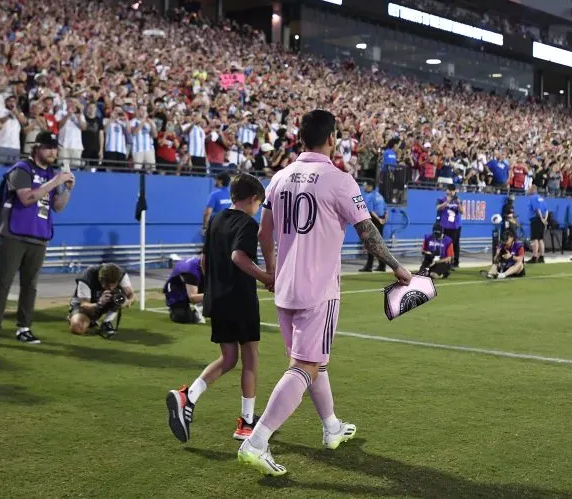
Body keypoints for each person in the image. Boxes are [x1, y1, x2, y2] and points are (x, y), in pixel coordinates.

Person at [237, 109, 411, 477]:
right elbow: (368, 234)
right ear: (332, 138)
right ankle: (257, 441)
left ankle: (331, 426)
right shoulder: (340, 180)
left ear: (300, 138)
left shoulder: (279, 179)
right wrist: (397, 267)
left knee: (315, 361)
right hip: (319, 290)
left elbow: (263, 235)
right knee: (304, 366)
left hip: (284, 289)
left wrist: (271, 272)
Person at [166, 174, 269, 444]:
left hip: (218, 298)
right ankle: (247, 422)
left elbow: (203, 261)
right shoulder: (248, 223)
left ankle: (188, 396)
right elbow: (238, 257)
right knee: (250, 357)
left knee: (228, 357)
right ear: (252, 199)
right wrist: (266, 277)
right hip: (240, 298)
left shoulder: (216, 220)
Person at [0, 131, 75, 348]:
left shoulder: (51, 173)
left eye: (55, 148)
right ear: (36, 148)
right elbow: (26, 198)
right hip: (14, 234)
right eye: (48, 147)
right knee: (2, 283)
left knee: (30, 286)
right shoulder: (22, 168)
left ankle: (24, 328)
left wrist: (67, 190)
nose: (53, 152)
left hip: (39, 236)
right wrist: (55, 181)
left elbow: (57, 207)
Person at [68, 262, 135, 338]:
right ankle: (77, 317)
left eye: (113, 285)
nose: (110, 288)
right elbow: (84, 304)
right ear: (100, 280)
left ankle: (106, 322)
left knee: (118, 296)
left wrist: (127, 302)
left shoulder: (121, 275)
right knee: (77, 328)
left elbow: (131, 296)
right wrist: (99, 303)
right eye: (107, 286)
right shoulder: (87, 276)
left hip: (104, 304)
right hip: (85, 306)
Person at [162, 256, 205, 324]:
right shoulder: (190, 270)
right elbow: (192, 298)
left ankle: (201, 309)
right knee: (182, 316)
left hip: (196, 281)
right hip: (177, 289)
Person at [359, 180, 388, 272]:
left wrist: (378, 220)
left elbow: (370, 210)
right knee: (379, 244)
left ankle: (369, 266)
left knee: (370, 244)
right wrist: (383, 219)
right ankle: (382, 265)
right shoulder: (380, 196)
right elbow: (386, 209)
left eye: (365, 185)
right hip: (382, 220)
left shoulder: (370, 196)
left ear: (370, 186)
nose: (364, 187)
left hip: (374, 220)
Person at [436, 186, 461, 268]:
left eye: (453, 190)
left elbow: (462, 211)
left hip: (455, 226)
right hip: (444, 225)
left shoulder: (457, 200)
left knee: (455, 245)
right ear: (447, 191)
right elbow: (438, 208)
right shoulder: (441, 199)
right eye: (450, 190)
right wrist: (447, 202)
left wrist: (459, 203)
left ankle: (455, 262)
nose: (451, 192)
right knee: (445, 244)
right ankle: (445, 261)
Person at [527, 186, 549, 264]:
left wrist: (542, 219)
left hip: (536, 219)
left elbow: (537, 209)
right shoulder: (541, 198)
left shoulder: (533, 198)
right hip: (541, 219)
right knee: (541, 239)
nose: (528, 190)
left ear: (533, 190)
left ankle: (534, 257)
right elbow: (546, 210)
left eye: (529, 189)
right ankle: (542, 257)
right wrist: (544, 219)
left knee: (535, 239)